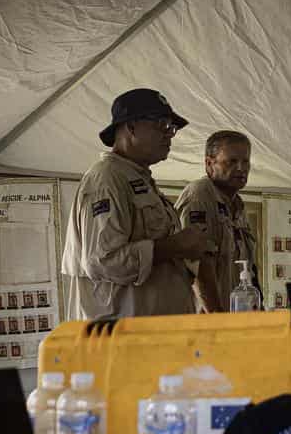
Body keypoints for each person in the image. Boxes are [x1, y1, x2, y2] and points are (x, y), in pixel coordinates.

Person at [61, 88, 214, 321]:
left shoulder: (139, 180)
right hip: (124, 340)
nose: (170, 135)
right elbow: (103, 261)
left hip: (154, 335)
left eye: (171, 128)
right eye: (162, 125)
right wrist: (174, 245)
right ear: (130, 127)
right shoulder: (107, 178)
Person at [174, 130, 260, 312]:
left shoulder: (238, 206)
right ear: (209, 164)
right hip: (209, 321)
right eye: (232, 161)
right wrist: (216, 316)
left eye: (245, 162)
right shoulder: (200, 195)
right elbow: (198, 265)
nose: (241, 168)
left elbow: (249, 269)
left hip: (235, 316)